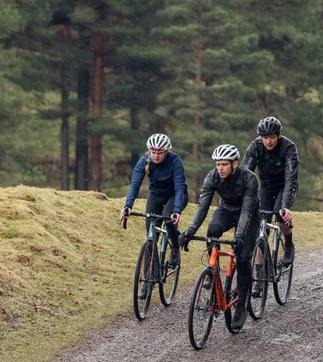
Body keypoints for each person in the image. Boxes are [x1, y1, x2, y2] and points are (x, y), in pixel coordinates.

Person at [180, 144, 259, 331]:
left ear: (235, 164)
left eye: (224, 164)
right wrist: (190, 232)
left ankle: (241, 307)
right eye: (217, 164)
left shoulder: (249, 178)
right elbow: (203, 207)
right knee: (213, 230)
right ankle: (212, 271)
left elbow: (247, 211)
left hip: (249, 215)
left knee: (242, 257)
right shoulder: (212, 177)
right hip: (227, 210)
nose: (220, 168)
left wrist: (239, 236)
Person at [119, 133, 188, 297]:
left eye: (160, 152)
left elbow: (179, 187)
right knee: (151, 237)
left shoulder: (175, 161)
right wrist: (127, 206)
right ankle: (149, 280)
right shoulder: (144, 161)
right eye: (153, 152)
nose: (156, 155)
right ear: (149, 150)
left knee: (168, 218)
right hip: (156, 196)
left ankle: (175, 249)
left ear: (166, 151)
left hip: (175, 196)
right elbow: (135, 185)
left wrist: (177, 209)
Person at [242, 116, 298, 267]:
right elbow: (245, 174)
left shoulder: (288, 147)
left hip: (284, 186)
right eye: (265, 138)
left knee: (280, 214)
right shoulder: (255, 146)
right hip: (266, 187)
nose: (269, 141)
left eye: (272, 137)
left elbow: (290, 178)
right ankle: (260, 272)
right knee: (261, 226)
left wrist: (285, 206)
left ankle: (289, 245)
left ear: (278, 136)